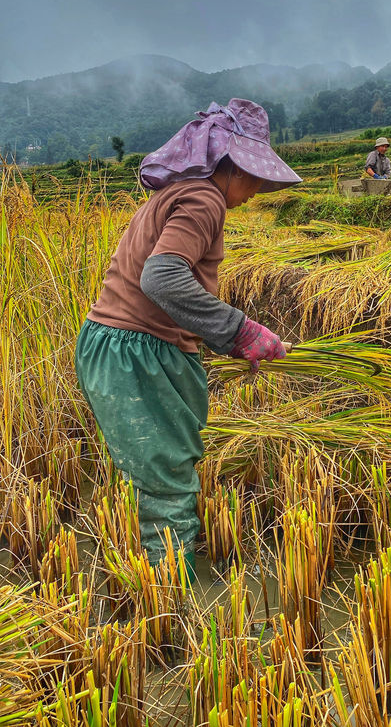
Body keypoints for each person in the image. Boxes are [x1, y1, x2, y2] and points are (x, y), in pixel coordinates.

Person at [75, 99, 302, 578]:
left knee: (157, 474)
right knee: (169, 487)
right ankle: (174, 616)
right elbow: (162, 278)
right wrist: (239, 331)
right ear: (228, 164)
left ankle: (152, 584)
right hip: (136, 352)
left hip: (113, 345)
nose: (258, 188)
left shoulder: (174, 194)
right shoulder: (203, 199)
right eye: (254, 174)